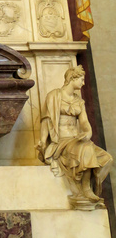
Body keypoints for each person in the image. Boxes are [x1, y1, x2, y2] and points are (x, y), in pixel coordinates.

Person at [36, 65, 113, 210]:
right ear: (72, 78)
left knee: (106, 158)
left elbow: (84, 123)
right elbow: (46, 120)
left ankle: (90, 186)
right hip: (61, 142)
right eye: (81, 80)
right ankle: (85, 188)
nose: (83, 83)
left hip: (77, 140)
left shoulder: (79, 101)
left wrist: (88, 133)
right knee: (86, 149)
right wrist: (42, 141)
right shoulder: (54, 96)